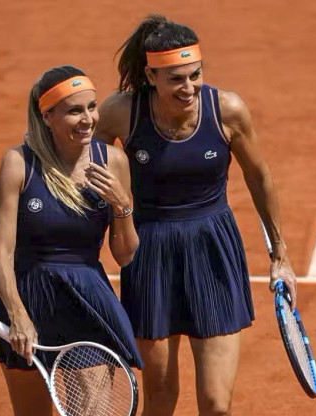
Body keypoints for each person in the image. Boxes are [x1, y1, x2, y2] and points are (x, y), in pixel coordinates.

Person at [94, 15, 299, 416]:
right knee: (160, 399)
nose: (188, 87)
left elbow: (260, 177)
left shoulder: (228, 110)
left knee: (216, 405)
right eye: (175, 78)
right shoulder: (121, 113)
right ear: (151, 76)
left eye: (195, 75)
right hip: (149, 251)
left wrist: (280, 255)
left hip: (213, 248)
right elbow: (85, 174)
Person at [0, 65, 142, 416]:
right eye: (75, 110)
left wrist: (123, 205)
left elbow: (125, 255)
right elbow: (1, 252)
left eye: (91, 107)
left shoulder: (114, 162)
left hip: (86, 303)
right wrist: (18, 315)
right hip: (30, 299)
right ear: (47, 116)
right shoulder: (18, 164)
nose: (88, 118)